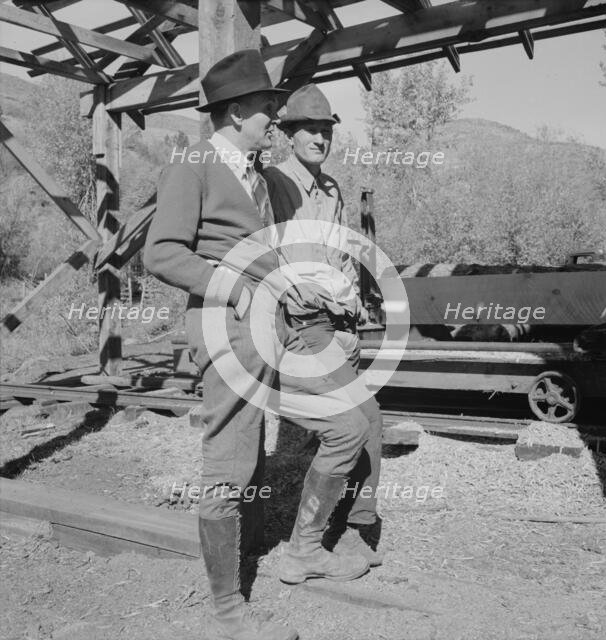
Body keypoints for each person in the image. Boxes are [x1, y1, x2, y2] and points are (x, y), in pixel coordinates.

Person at [143, 50, 370, 640]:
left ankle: (303, 551)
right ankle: (226, 613)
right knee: (232, 466)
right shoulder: (192, 166)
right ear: (237, 110)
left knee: (348, 425)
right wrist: (237, 287)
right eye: (268, 109)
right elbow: (162, 252)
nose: (275, 119)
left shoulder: (258, 177)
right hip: (229, 329)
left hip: (279, 326)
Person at [263, 84, 384, 567]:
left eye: (326, 129)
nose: (320, 137)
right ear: (289, 134)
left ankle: (354, 528)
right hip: (300, 324)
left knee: (370, 421)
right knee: (351, 425)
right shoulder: (271, 182)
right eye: (309, 129)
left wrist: (352, 297)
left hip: (336, 324)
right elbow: (259, 250)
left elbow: (339, 253)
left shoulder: (331, 189)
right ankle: (304, 547)